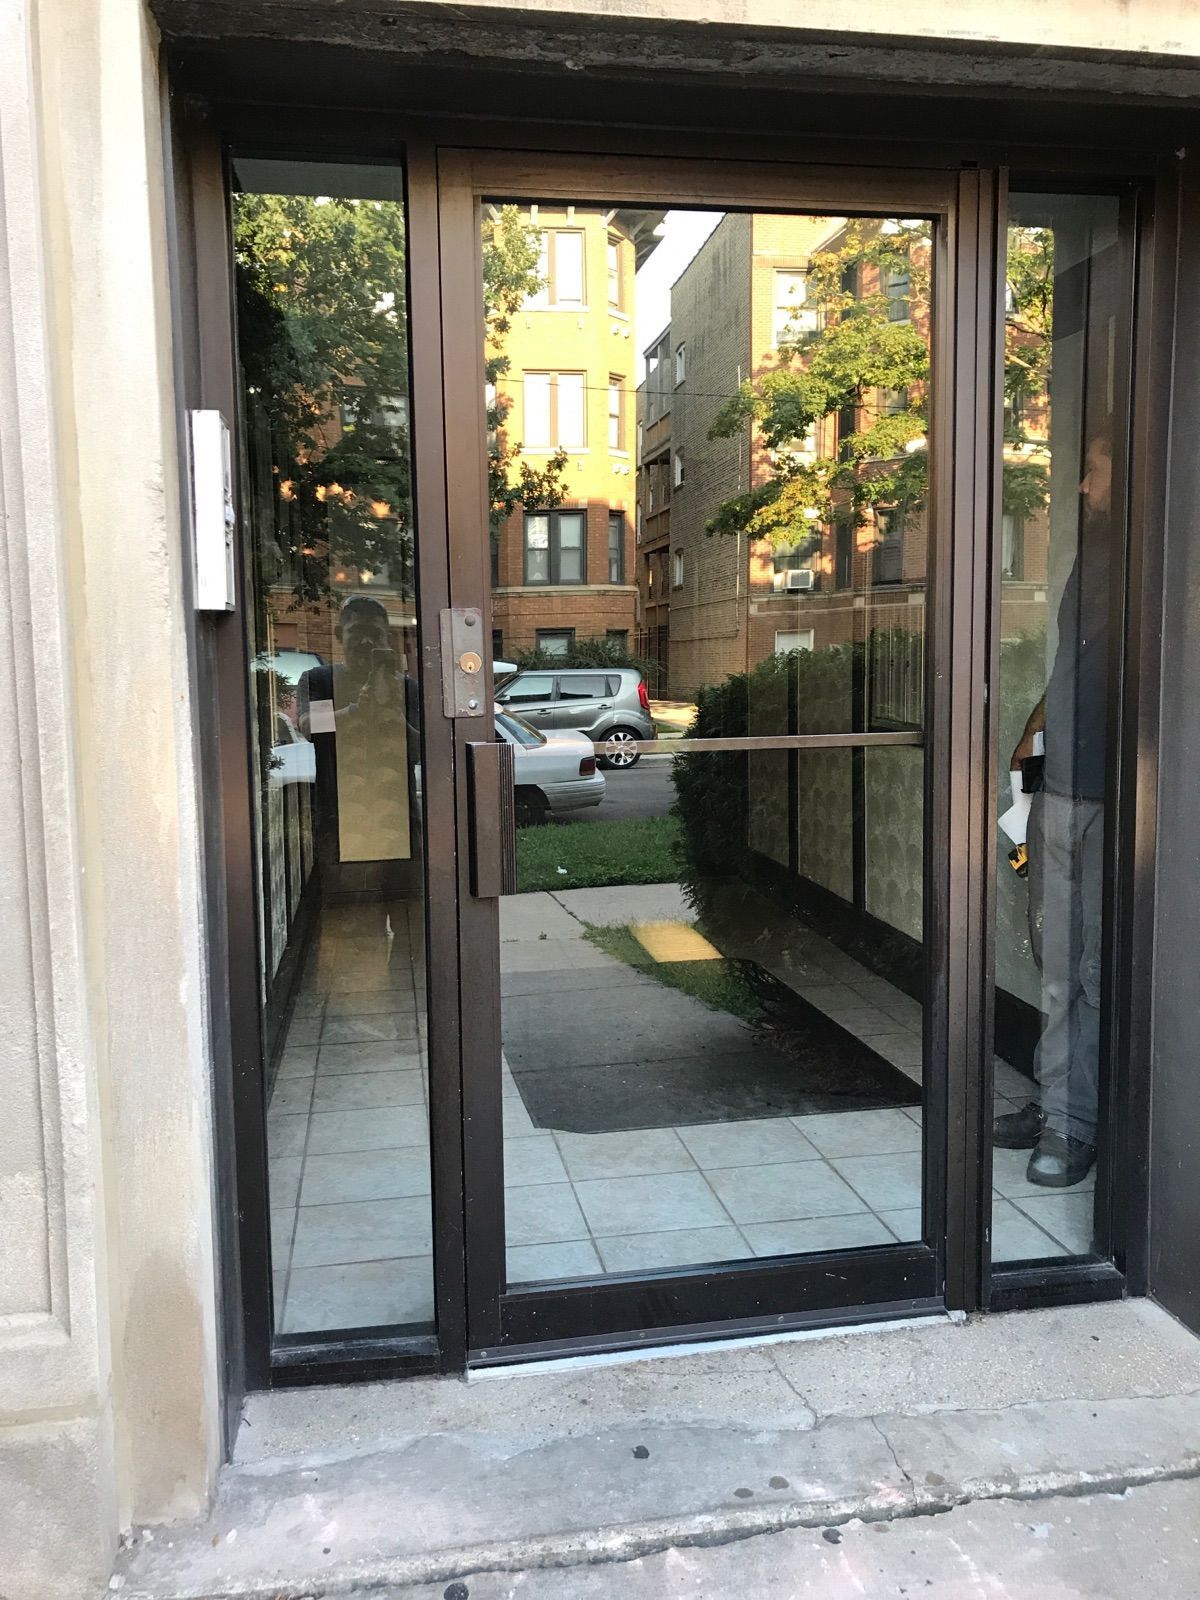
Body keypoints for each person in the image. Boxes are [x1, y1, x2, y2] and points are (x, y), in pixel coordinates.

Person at [993, 431, 1111, 1189]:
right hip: (1063, 788)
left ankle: (1079, 1122)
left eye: (1092, 468)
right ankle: (1061, 1103)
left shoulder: (1165, 555)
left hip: (1120, 796)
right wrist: (1029, 755)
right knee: (1059, 966)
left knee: (1096, 970)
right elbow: (1072, 668)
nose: (1080, 485)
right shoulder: (1092, 556)